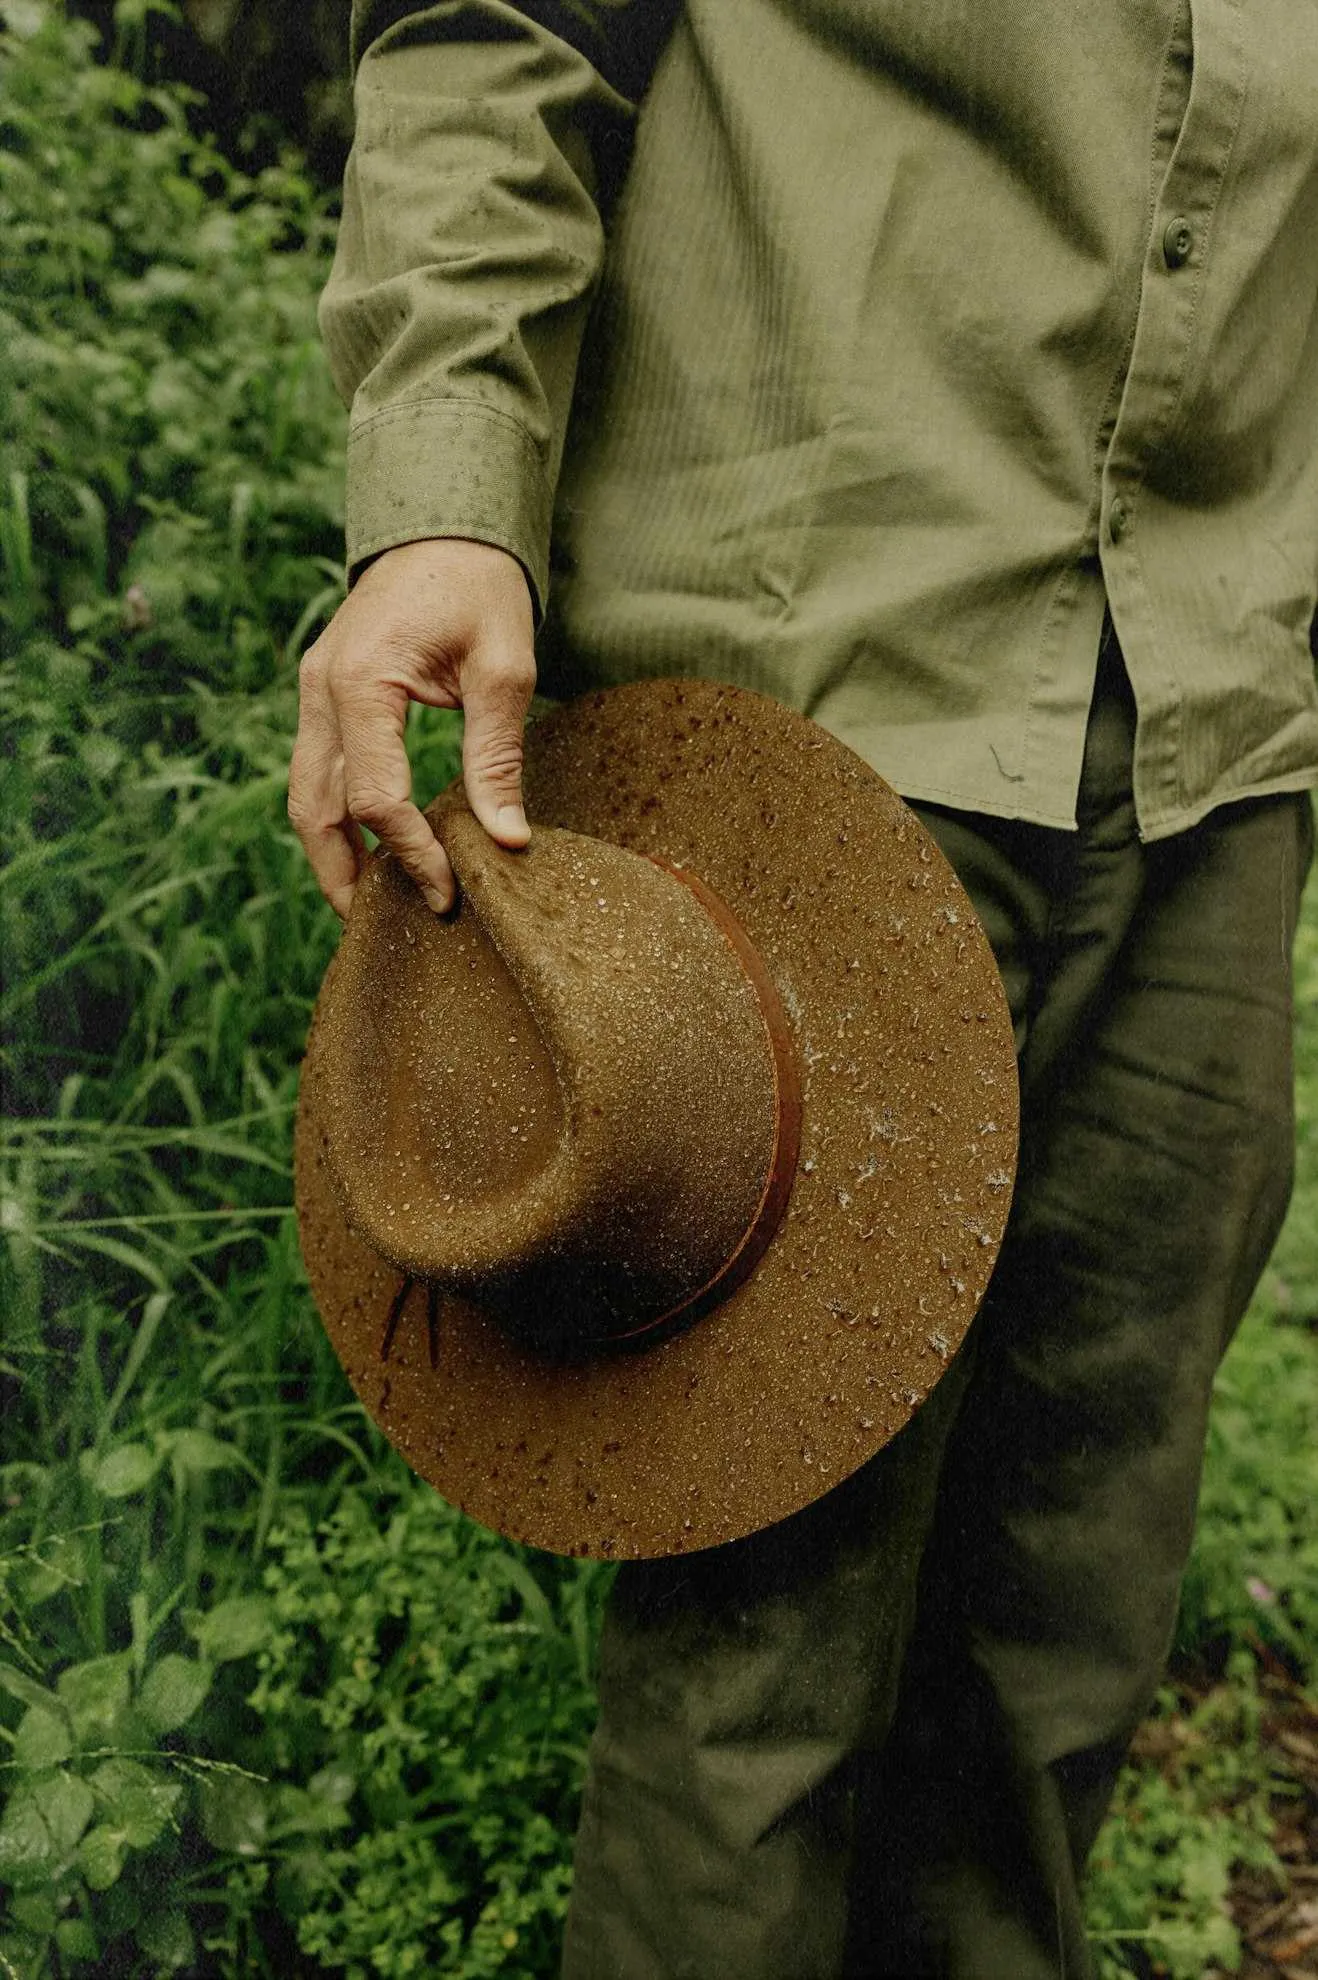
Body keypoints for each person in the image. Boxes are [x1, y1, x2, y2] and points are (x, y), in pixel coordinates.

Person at [287, 4, 1318, 1974]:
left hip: (1209, 734)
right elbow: (488, 27)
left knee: (1054, 1656)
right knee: (756, 1687)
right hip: (823, 705)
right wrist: (441, 491)